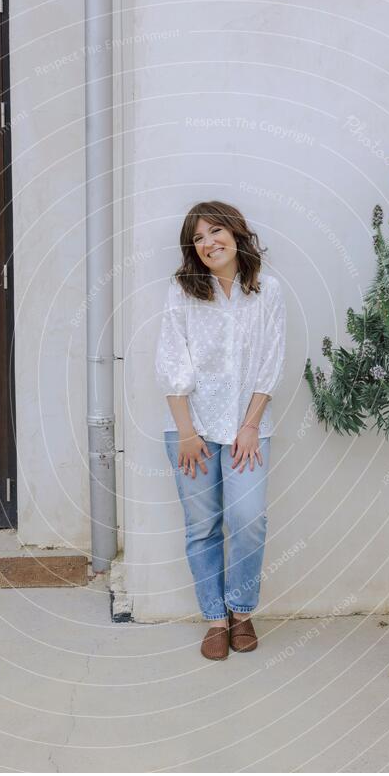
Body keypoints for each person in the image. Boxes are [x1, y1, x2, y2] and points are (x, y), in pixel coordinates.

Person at [155, 200, 286, 660]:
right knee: (202, 526)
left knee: (248, 519)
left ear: (236, 233)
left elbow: (270, 363)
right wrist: (188, 434)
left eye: (214, 231)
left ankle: (242, 610)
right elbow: (173, 364)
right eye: (197, 237)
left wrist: (249, 426)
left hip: (249, 428)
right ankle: (214, 618)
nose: (208, 242)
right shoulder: (183, 291)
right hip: (190, 429)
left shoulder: (267, 291)